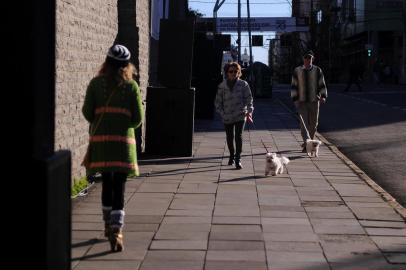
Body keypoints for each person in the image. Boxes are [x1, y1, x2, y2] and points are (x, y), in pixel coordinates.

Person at [82, 44, 143, 252]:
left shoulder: (95, 84)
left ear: (106, 63)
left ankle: (107, 224)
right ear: (127, 65)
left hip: (101, 145)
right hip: (123, 146)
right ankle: (117, 230)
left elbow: (87, 113)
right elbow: (137, 120)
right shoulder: (132, 86)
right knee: (120, 187)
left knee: (106, 184)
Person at [215, 62, 254, 169]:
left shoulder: (243, 84)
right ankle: (231, 155)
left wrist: (249, 111)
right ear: (227, 73)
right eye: (230, 71)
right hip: (227, 116)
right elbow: (218, 102)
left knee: (238, 136)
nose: (233, 73)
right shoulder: (222, 86)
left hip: (240, 115)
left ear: (239, 72)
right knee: (229, 137)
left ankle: (238, 159)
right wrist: (222, 113)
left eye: (235, 71)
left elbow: (249, 99)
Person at [291, 50, 327, 153]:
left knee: (314, 124)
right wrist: (295, 99)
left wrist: (323, 96)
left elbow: (322, 84)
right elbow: (294, 86)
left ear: (312, 59)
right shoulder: (297, 70)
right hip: (301, 102)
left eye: (310, 58)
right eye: (306, 58)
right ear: (303, 59)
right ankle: (307, 144)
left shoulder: (317, 70)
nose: (308, 60)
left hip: (314, 101)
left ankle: (308, 143)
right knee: (304, 125)